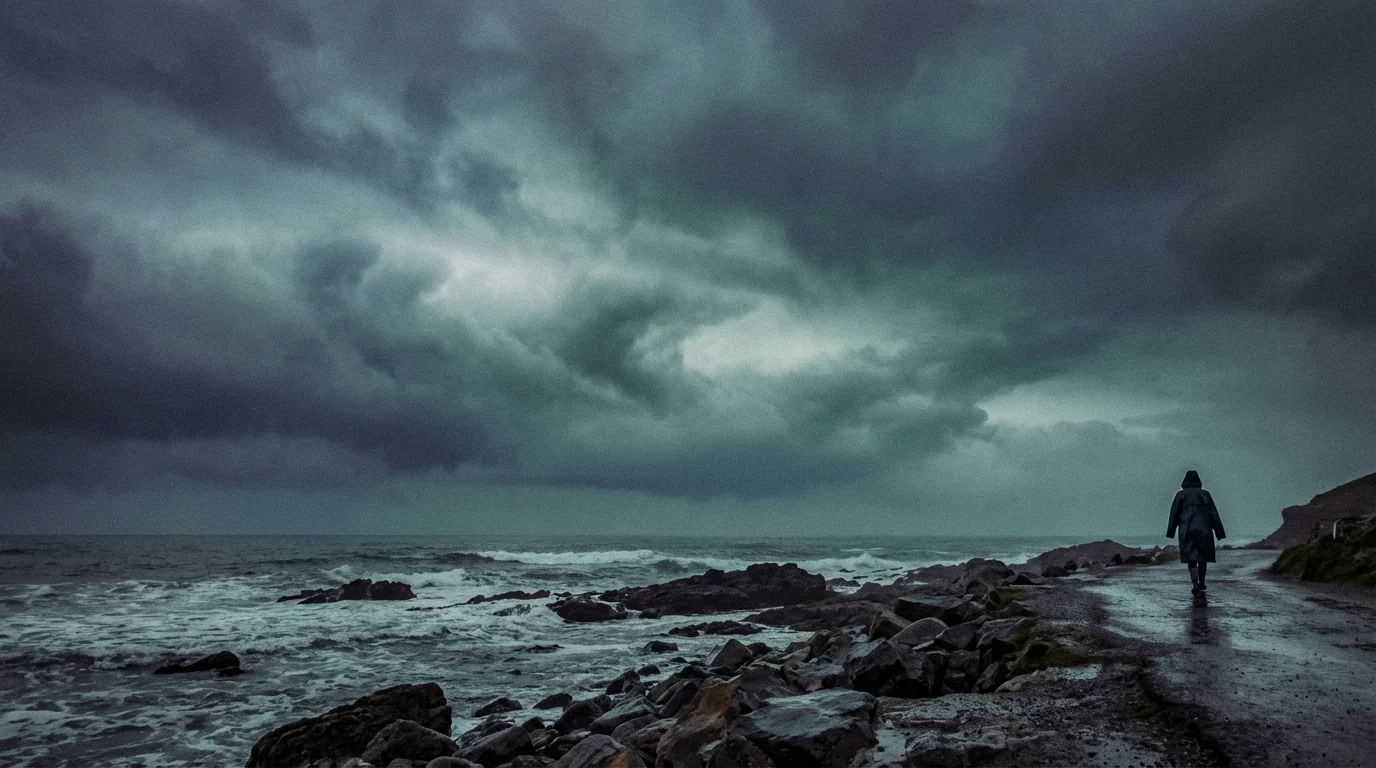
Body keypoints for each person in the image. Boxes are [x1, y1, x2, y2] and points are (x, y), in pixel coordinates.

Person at [1167, 469, 1226, 594]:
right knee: (1202, 558)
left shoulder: (1180, 495)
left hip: (1187, 530)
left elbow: (1174, 514)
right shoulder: (1206, 494)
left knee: (1191, 558)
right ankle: (1202, 582)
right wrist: (1219, 532)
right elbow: (1214, 514)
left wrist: (1171, 531)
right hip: (1204, 530)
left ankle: (1195, 584)